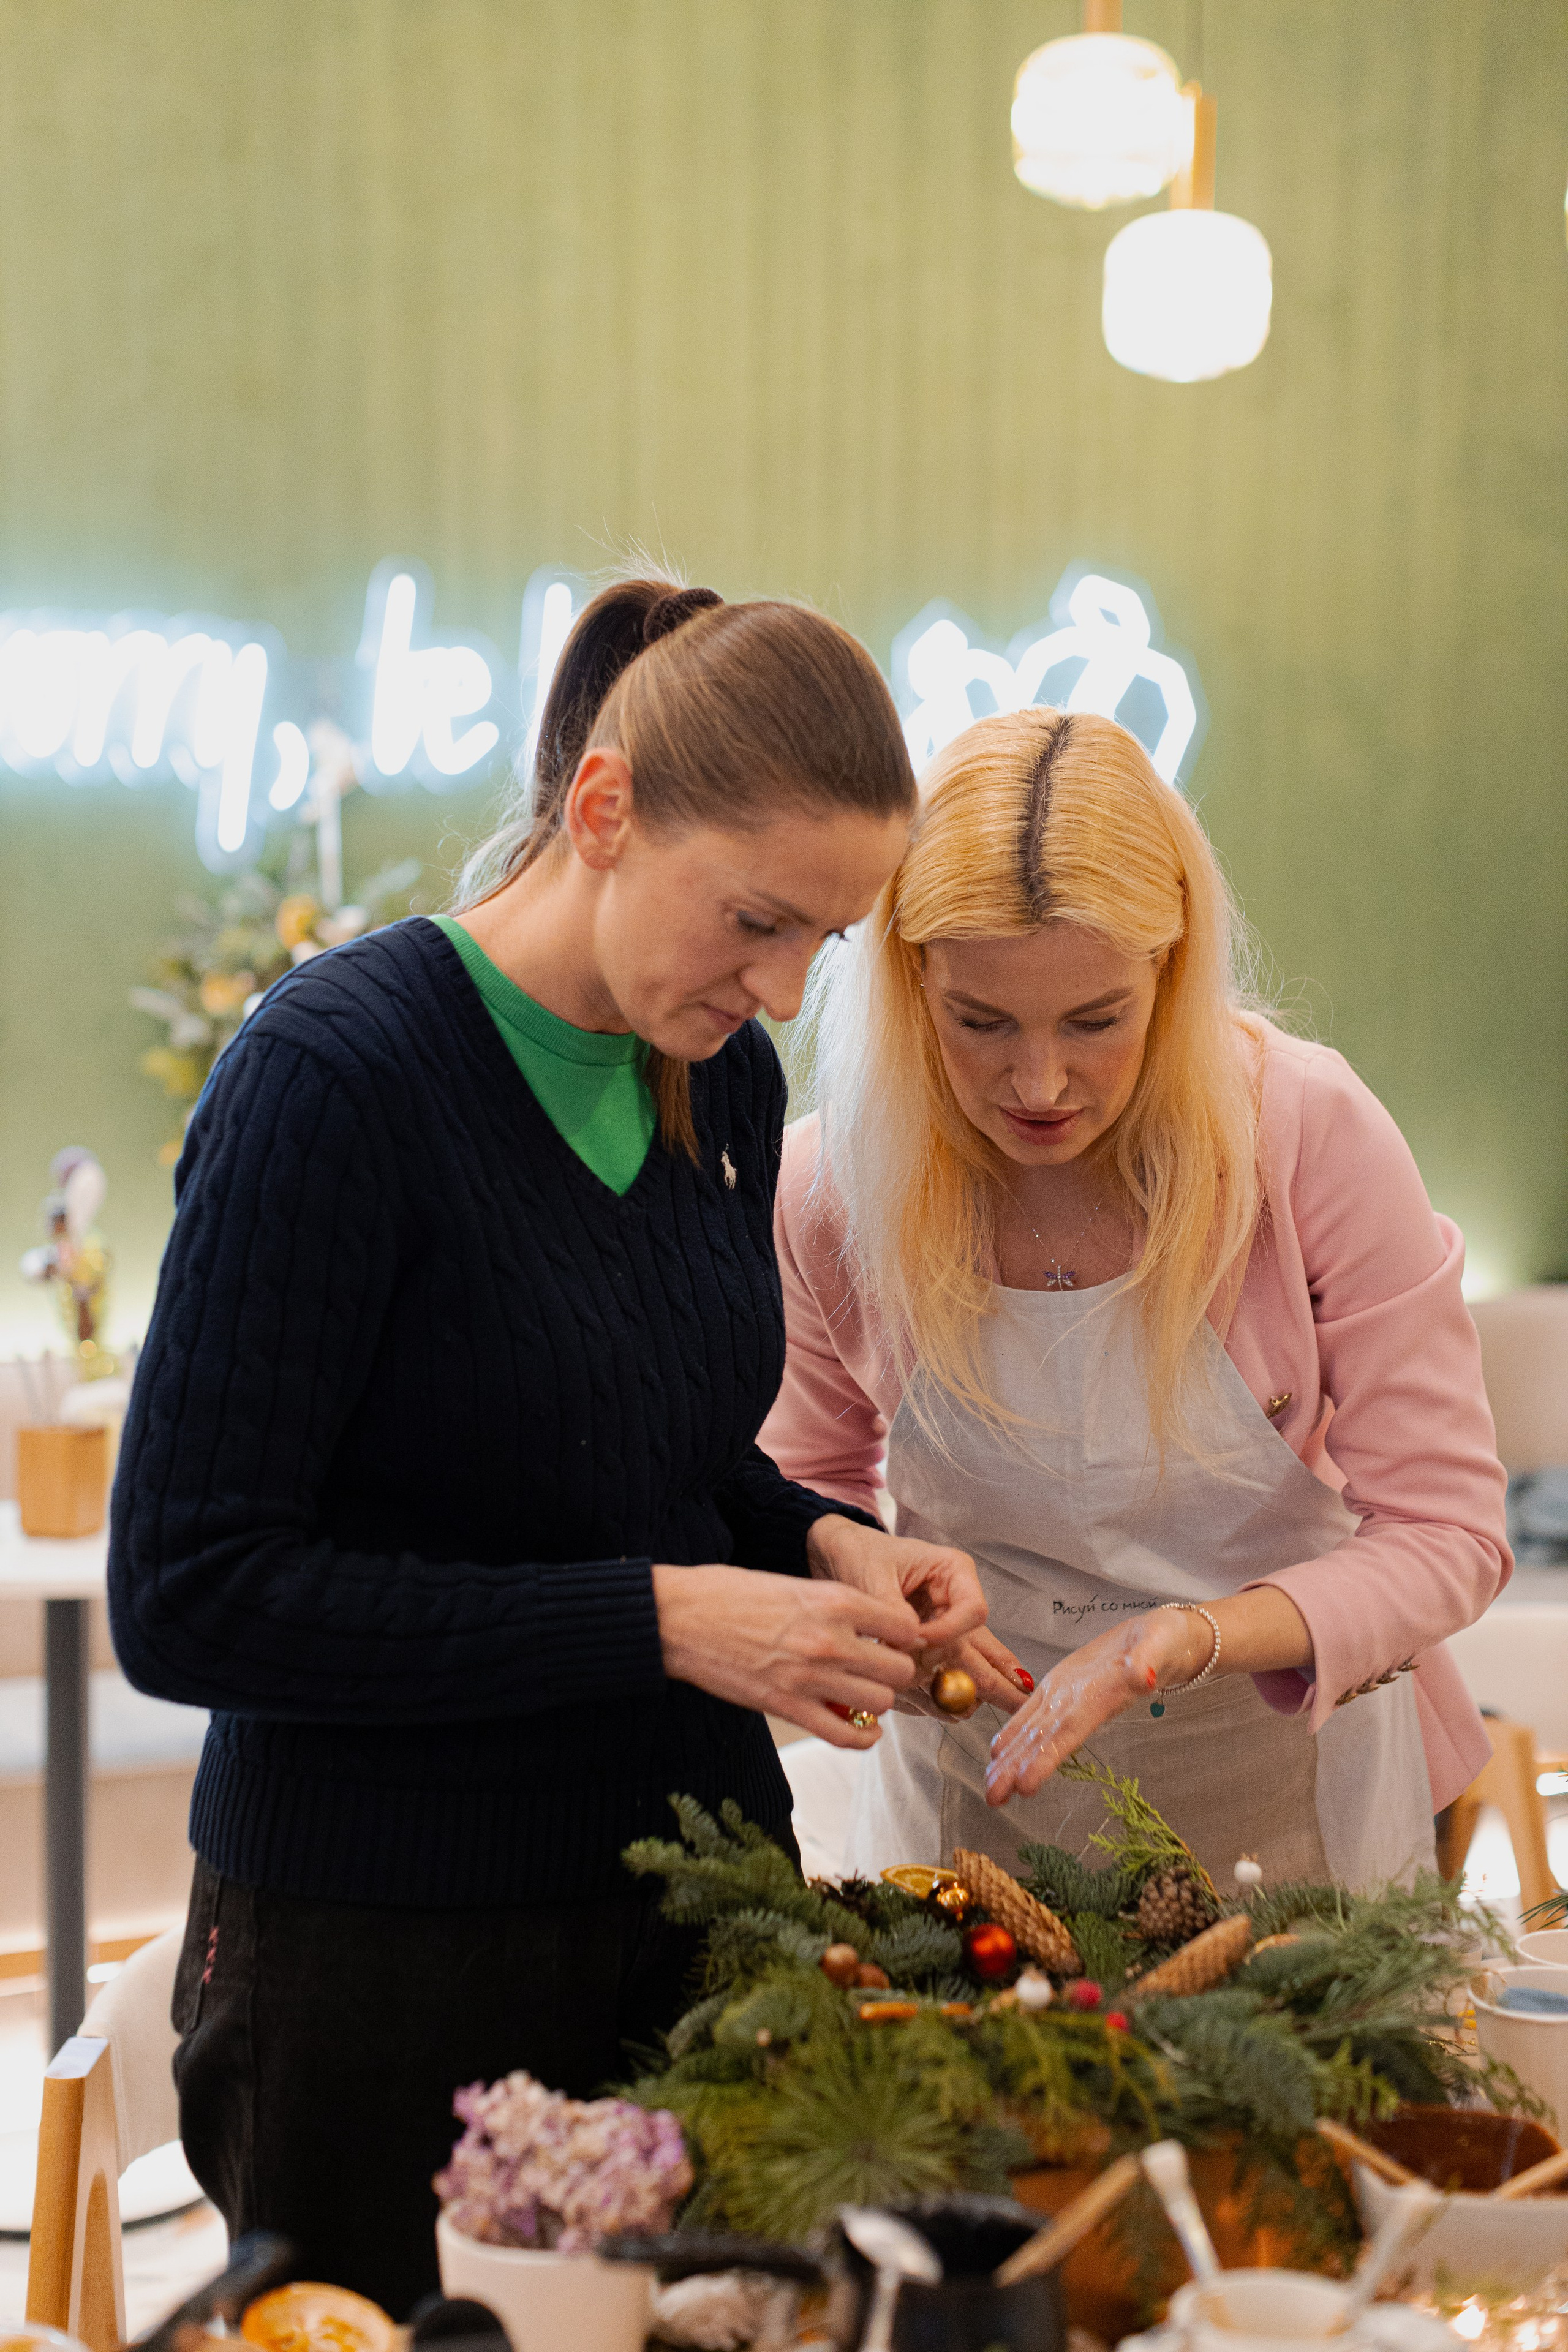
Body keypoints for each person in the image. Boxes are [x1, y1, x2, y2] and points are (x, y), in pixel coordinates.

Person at [108, 579, 989, 2314]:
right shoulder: (335, 1080)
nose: (789, 989)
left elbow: (647, 1449)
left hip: (679, 1912)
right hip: (375, 1969)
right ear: (602, 808)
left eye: (827, 939)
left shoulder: (716, 1077)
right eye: (758, 920)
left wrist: (819, 1538)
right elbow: (193, 1596)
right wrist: (661, 1619)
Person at [763, 706, 1510, 1893]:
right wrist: (869, 1602)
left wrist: (1183, 1640)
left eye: (1096, 1021)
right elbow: (803, 1497)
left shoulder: (1304, 1136)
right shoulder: (831, 1185)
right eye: (980, 1023)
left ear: (1170, 970)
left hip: (1287, 1796)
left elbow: (1448, 1535)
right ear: (911, 984)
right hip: (972, 1808)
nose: (1041, 1081)